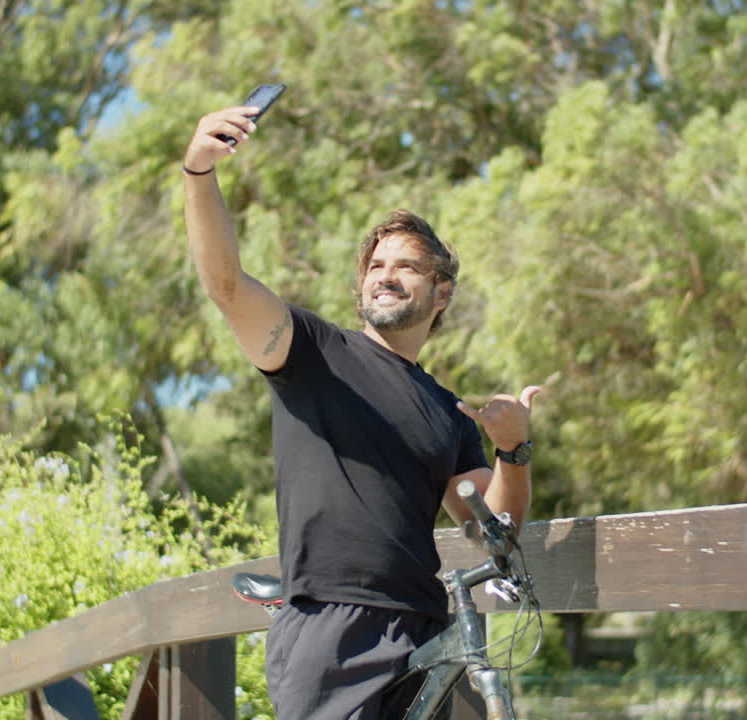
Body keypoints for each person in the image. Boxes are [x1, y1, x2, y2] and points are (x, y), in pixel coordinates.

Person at [183, 104, 540, 720]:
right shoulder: (313, 351)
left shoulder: (449, 412)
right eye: (376, 266)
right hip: (329, 633)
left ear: (441, 291)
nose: (386, 276)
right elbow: (227, 285)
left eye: (406, 266)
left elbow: (491, 523)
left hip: (426, 631)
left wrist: (513, 449)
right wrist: (199, 173)